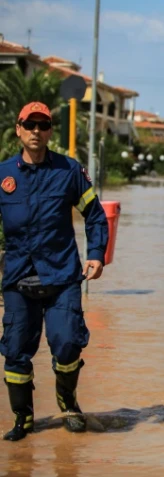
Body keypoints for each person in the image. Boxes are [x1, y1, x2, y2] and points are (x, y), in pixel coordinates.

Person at [0, 102, 109, 441]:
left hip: (61, 275)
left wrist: (96, 254)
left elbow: (94, 214)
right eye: (29, 125)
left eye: (43, 125)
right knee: (16, 350)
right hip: (18, 277)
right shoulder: (3, 173)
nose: (36, 131)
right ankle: (24, 419)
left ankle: (68, 402)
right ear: (18, 129)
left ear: (50, 131)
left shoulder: (69, 171)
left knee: (66, 345)